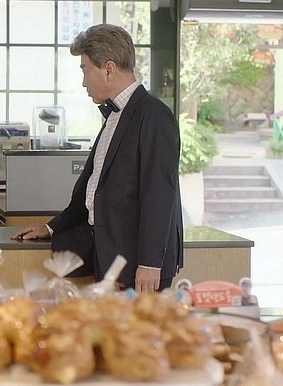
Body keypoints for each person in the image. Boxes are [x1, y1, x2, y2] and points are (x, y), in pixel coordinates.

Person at [12, 23, 183, 293]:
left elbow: (160, 195)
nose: (83, 82)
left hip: (139, 266)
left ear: (109, 69)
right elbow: (95, 190)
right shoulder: (115, 115)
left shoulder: (154, 116)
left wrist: (150, 263)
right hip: (109, 257)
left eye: (85, 70)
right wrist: (51, 227)